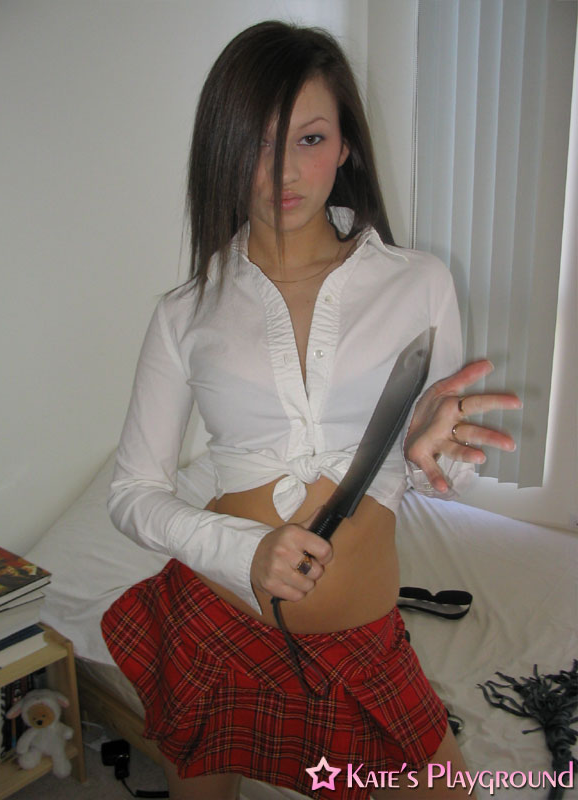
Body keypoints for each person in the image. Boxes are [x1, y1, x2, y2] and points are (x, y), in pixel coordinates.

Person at [101, 21, 521, 800]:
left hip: (362, 642)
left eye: (310, 138)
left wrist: (435, 453)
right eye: (258, 143)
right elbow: (132, 493)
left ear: (346, 145)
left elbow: (443, 462)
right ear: (222, 150)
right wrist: (244, 551)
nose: (283, 171)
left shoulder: (419, 283)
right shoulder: (185, 312)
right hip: (219, 620)